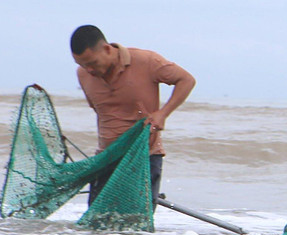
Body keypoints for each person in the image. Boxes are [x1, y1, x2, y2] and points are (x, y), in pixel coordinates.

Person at [71, 25, 196, 204]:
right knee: (98, 227)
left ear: (107, 49)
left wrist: (162, 113)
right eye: (82, 64)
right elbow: (100, 111)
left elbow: (186, 80)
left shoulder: (146, 61)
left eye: (92, 63)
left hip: (144, 156)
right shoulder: (83, 74)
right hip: (105, 159)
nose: (88, 70)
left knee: (135, 227)